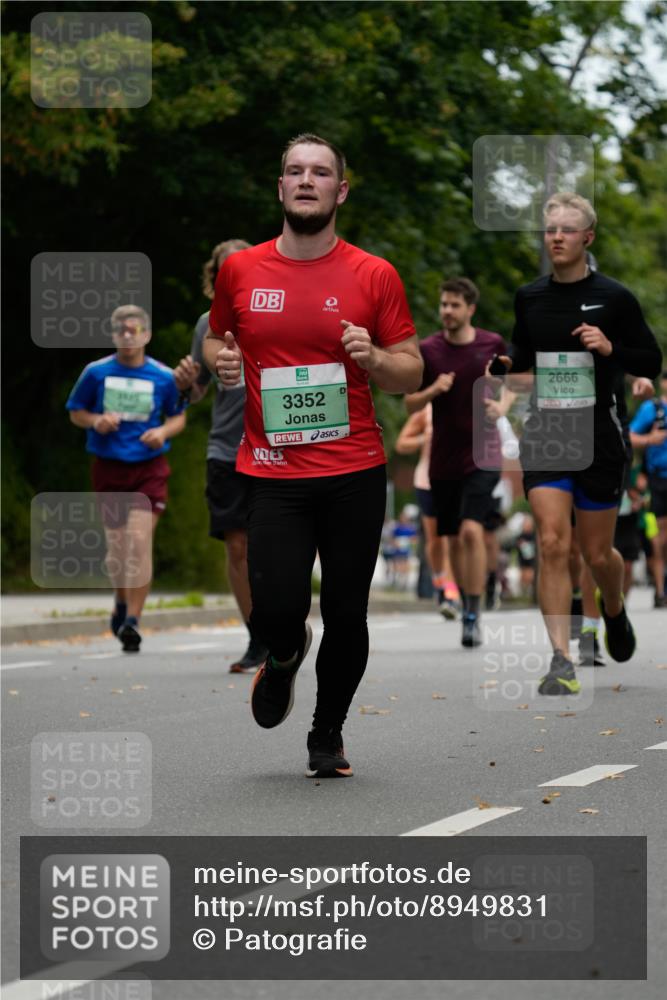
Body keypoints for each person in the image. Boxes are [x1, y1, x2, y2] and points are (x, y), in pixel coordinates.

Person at [202, 133, 422, 778]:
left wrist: (373, 357)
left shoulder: (374, 274)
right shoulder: (241, 271)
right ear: (280, 188)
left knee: (346, 612)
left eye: (320, 172)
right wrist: (223, 363)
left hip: (354, 470)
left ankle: (327, 733)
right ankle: (283, 654)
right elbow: (217, 339)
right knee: (276, 607)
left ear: (340, 190)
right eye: (295, 171)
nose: (306, 180)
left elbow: (410, 372)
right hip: (273, 471)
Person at [494, 192, 661, 694]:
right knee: (551, 542)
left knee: (597, 554)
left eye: (567, 230)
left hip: (599, 436)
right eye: (550, 230)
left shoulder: (615, 297)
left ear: (587, 237)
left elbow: (650, 360)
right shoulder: (530, 297)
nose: (557, 237)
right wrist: (507, 363)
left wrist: (610, 347)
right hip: (548, 432)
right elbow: (523, 349)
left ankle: (613, 606)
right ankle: (561, 660)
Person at [174, 239, 270, 672]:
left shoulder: (276, 312)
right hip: (227, 449)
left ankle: (281, 621)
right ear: (215, 278)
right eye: (226, 271)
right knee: (238, 546)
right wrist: (184, 384)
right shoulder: (206, 324)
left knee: (277, 546)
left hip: (277, 449)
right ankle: (258, 637)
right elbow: (196, 392)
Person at [66, 305, 187, 652]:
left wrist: (162, 432)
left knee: (138, 540)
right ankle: (121, 599)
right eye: (121, 330)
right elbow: (76, 411)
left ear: (146, 334)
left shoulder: (163, 376)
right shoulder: (96, 372)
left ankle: (132, 621)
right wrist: (96, 421)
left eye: (135, 330)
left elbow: (178, 417)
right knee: (117, 550)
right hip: (109, 467)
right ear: (113, 334)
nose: (128, 336)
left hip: (149, 469)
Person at [405, 277, 511, 648]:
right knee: (451, 537)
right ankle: (466, 602)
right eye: (444, 304)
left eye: (454, 305)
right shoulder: (428, 350)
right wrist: (434, 390)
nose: (447, 311)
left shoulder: (492, 344)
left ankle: (473, 613)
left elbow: (511, 383)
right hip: (443, 459)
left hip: (484, 452)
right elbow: (410, 402)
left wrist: (501, 405)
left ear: (470, 309)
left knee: (470, 530)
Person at [395, 404, 460, 617]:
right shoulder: (427, 410)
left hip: (458, 482)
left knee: (451, 536)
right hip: (427, 482)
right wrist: (425, 438)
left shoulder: (468, 405)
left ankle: (452, 594)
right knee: (435, 540)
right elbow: (401, 443)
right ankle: (440, 582)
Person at [630, 371, 667, 607]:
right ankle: (660, 590)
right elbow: (629, 436)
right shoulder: (652, 409)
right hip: (659, 480)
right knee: (659, 539)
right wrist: (649, 440)